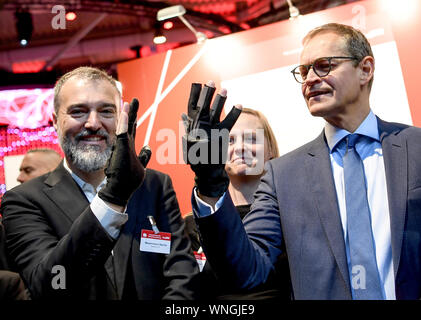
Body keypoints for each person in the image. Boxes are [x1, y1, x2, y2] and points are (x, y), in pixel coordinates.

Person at [183, 23, 421, 300]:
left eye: (323, 65)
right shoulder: (282, 176)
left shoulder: (415, 147)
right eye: (304, 71)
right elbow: (245, 271)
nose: (309, 79)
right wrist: (211, 187)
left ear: (365, 70)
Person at [1, 66, 199, 299]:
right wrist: (112, 200)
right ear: (55, 121)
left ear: (120, 119)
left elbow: (182, 274)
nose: (93, 123)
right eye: (78, 112)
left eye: (106, 111)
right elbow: (50, 284)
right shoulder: (24, 201)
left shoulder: (154, 184)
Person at [184, 108, 291, 300]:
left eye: (251, 139)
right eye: (230, 140)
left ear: (271, 149)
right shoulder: (194, 224)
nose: (240, 147)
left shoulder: (291, 216)